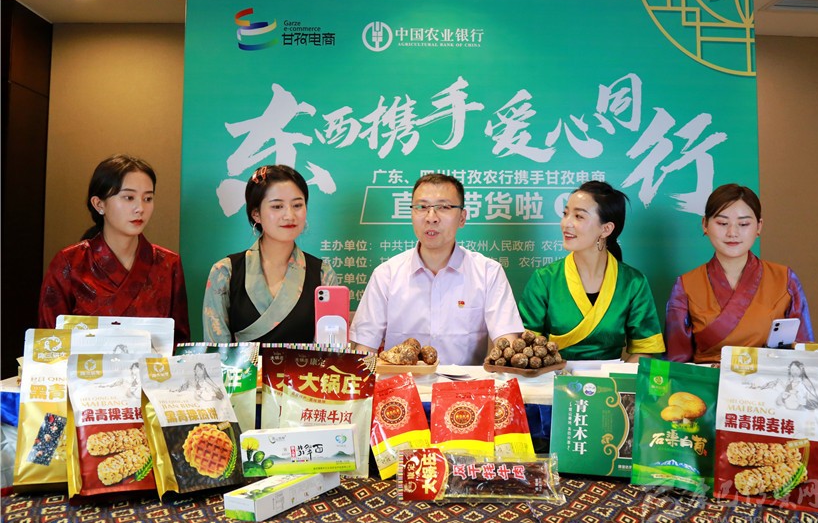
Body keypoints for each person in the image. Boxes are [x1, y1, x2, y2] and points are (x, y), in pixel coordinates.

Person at [350, 173, 523, 366]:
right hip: (401, 383)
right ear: (412, 214)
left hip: (468, 384)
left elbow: (508, 345)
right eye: (422, 207)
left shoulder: (488, 273)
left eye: (443, 207)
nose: (431, 218)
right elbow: (364, 351)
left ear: (462, 218)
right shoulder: (386, 275)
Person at [38, 154, 191, 343]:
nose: (140, 208)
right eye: (129, 197)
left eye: (148, 198)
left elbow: (180, 343)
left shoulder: (168, 264)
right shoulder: (69, 263)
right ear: (99, 204)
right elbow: (49, 343)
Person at [665, 184, 814, 364]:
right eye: (722, 223)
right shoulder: (686, 285)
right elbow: (676, 361)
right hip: (708, 380)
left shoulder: (784, 279)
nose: (732, 233)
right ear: (705, 224)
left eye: (743, 224)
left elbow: (803, 353)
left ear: (759, 226)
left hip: (769, 379)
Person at [518, 181, 664, 361]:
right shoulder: (544, 279)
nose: (566, 223)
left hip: (611, 377)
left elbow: (644, 350)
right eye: (565, 214)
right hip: (554, 374)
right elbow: (525, 347)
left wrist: (616, 377)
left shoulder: (633, 282)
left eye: (579, 216)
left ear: (606, 229)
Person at [203, 165, 339, 342]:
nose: (289, 215)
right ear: (256, 214)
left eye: (297, 205)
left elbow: (330, 350)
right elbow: (216, 349)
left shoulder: (322, 274)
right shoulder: (225, 272)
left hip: (305, 362)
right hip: (240, 363)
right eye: (277, 206)